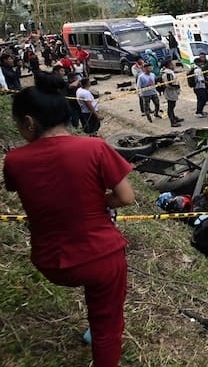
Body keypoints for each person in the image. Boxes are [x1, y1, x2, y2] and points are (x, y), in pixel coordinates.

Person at [3, 73, 136, 367]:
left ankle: (95, 322)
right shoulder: (94, 148)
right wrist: (100, 202)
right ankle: (99, 332)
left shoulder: (14, 161)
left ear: (28, 122)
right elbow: (126, 197)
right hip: (102, 256)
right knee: (108, 325)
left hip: (50, 260)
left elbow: (27, 188)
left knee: (94, 290)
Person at [160, 59, 183, 127]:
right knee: (171, 106)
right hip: (170, 91)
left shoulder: (169, 72)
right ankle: (172, 122)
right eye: (172, 64)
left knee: (172, 105)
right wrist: (177, 86)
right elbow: (169, 84)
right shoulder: (168, 73)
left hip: (172, 91)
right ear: (169, 65)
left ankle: (174, 117)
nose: (173, 65)